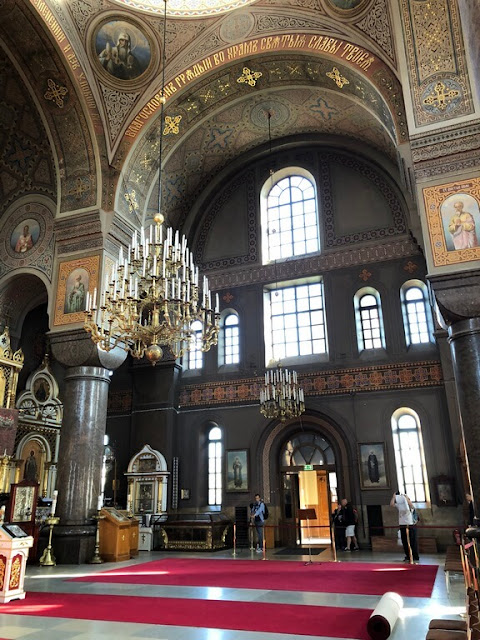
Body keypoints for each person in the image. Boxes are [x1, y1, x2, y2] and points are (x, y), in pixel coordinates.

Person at [390, 491, 419, 563]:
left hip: (410, 525)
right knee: (405, 542)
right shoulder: (400, 505)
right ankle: (408, 555)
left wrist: (406, 498)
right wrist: (394, 497)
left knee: (412, 542)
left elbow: (411, 505)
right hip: (402, 525)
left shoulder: (410, 507)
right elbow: (391, 504)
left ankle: (414, 556)